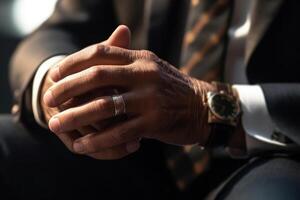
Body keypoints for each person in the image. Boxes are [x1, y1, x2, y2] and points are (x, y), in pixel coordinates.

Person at [2, 0, 300, 199]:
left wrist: (208, 107)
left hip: (276, 155)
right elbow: (60, 29)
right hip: (136, 150)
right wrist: (59, 83)